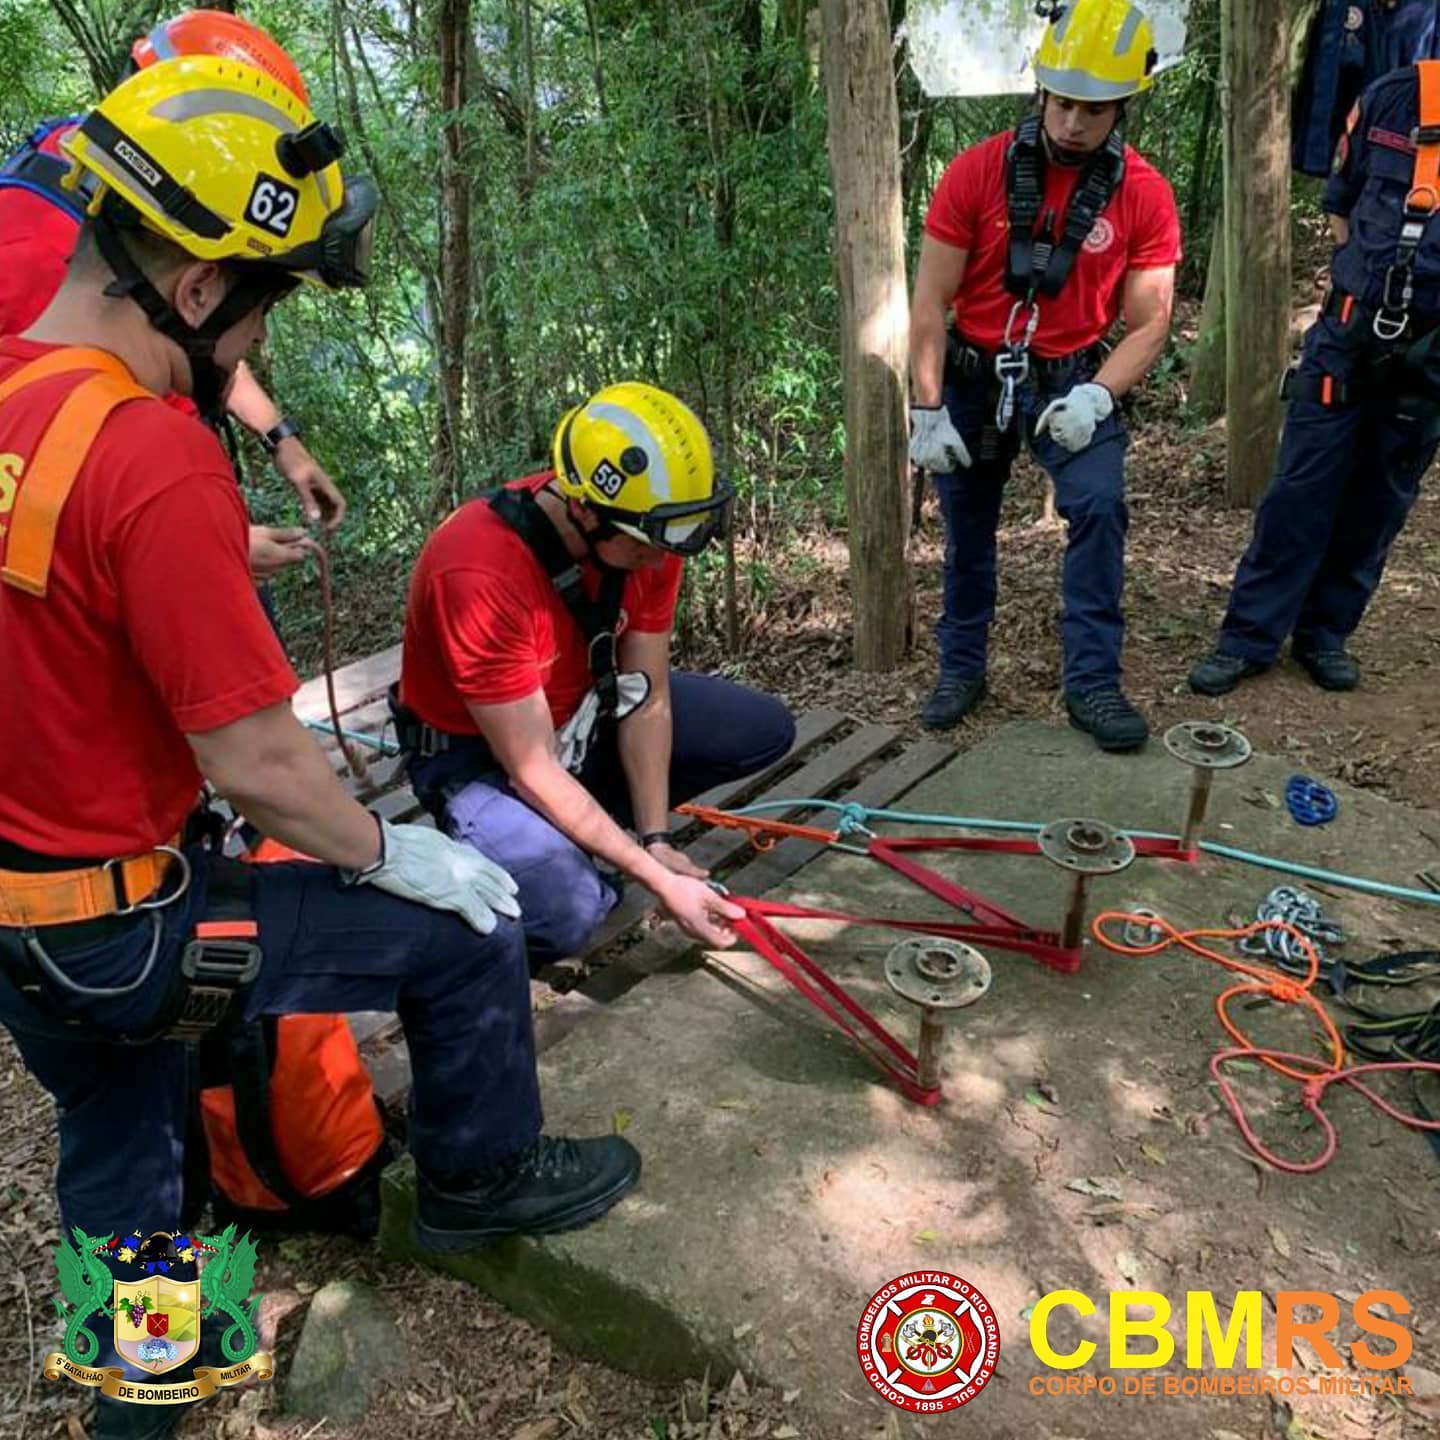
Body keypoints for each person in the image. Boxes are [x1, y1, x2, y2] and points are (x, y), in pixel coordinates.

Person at [0, 54, 637, 1440]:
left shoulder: (15, 391)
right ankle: (478, 1180)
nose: (255, 343)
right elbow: (257, 762)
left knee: (123, 1134)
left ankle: (140, 1403)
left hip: (23, 929)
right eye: (266, 302)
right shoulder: (154, 455)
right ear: (195, 289)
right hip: (127, 926)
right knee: (467, 931)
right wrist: (395, 851)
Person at [393, 382, 797, 960]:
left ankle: (581, 829)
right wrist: (657, 881)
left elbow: (646, 695)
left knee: (760, 729)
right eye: (645, 546)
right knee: (571, 911)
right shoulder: (478, 571)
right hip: (481, 759)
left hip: (582, 717)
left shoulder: (648, 531)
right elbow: (531, 766)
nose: (659, 561)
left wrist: (656, 841)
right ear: (583, 510)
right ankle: (517, 846)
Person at [908, 0, 1180, 752]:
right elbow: (929, 299)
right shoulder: (977, 172)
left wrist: (1098, 395)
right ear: (1041, 92)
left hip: (1072, 376)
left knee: (1098, 506)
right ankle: (961, 668)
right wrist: (926, 407)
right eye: (1061, 103)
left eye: (1093, 110)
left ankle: (1092, 682)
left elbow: (1150, 320)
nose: (1072, 123)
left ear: (1121, 108)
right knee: (968, 526)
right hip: (973, 372)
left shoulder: (1143, 194)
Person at [0, 9, 346, 579]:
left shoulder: (129, 196)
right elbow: (36, 460)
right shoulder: (34, 248)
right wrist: (203, 540)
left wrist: (282, 441)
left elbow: (196, 325)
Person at [1189, 58, 1440, 697]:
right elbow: (1342, 207)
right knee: (1301, 488)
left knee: (1380, 498)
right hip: (1348, 336)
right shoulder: (1397, 97)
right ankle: (1248, 637)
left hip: (1430, 356)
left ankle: (1325, 634)